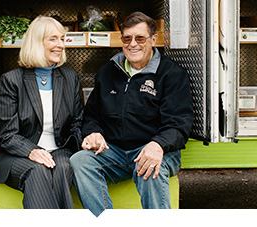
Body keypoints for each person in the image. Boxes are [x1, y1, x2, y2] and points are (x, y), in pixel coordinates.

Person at [70, 11, 194, 216]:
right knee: (80, 161)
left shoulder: (171, 75)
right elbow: (92, 115)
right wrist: (93, 132)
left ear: (154, 39)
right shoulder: (107, 72)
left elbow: (180, 123)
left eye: (140, 38)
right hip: (115, 151)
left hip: (156, 149)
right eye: (127, 38)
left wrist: (158, 145)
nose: (132, 44)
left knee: (150, 167)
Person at [0, 16, 83, 209]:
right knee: (38, 170)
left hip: (60, 149)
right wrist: (31, 151)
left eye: (62, 39)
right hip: (18, 154)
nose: (61, 45)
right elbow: (7, 135)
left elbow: (77, 122)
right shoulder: (12, 80)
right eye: (53, 39)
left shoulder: (70, 77)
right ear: (37, 43)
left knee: (63, 167)